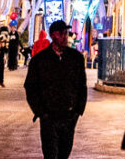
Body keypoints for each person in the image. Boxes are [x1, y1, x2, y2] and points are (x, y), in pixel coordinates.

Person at [25, 19, 87, 159]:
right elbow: (30, 87)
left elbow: (82, 86)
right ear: (53, 36)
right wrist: (41, 112)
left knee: (64, 153)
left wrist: (78, 111)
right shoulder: (39, 60)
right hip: (49, 117)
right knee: (50, 154)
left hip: (69, 116)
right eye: (63, 34)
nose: (66, 37)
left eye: (67, 33)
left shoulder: (76, 58)